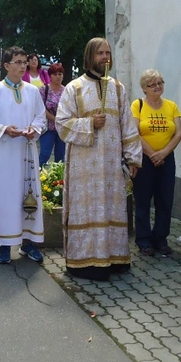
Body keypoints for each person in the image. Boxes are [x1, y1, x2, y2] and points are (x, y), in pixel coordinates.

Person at [56, 38, 142, 280]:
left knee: (111, 207)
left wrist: (133, 157)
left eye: (108, 53)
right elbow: (61, 124)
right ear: (90, 56)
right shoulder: (74, 88)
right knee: (88, 209)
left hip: (112, 164)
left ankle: (114, 258)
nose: (106, 57)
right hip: (84, 166)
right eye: (100, 53)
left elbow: (127, 124)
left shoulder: (118, 88)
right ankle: (84, 261)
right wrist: (89, 123)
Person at [0, 46, 46, 264]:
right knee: (6, 196)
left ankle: (28, 244)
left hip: (27, 152)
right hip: (6, 154)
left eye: (24, 62)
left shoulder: (32, 91)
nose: (22, 66)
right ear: (6, 66)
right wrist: (4, 130)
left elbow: (41, 118)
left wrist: (34, 130)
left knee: (27, 195)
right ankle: (4, 244)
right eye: (17, 62)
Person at [131, 69, 181, 257]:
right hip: (145, 159)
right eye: (152, 84)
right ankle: (144, 241)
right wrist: (153, 154)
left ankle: (160, 238)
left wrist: (163, 153)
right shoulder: (138, 106)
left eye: (160, 83)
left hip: (166, 159)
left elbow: (178, 133)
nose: (157, 87)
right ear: (144, 88)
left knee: (165, 200)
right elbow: (135, 132)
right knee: (143, 200)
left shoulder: (171, 106)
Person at [38, 62, 67, 165]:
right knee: (44, 154)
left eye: (60, 74)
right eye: (55, 74)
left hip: (62, 128)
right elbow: (41, 108)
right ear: (50, 75)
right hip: (48, 128)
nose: (58, 77)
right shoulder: (44, 89)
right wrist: (54, 119)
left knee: (60, 157)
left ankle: (58, 179)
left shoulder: (66, 90)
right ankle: (38, 176)